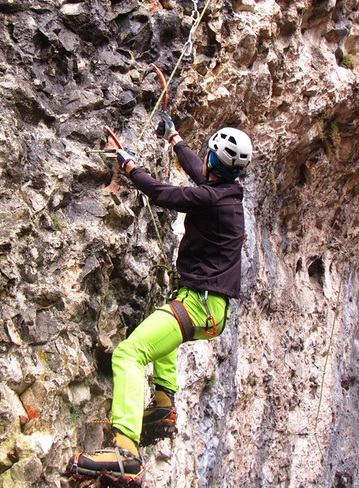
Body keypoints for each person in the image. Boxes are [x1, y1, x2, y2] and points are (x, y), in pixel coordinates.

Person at [71, 114, 252, 482]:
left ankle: (126, 452)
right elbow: (198, 174)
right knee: (163, 325)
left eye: (207, 156)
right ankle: (164, 404)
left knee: (129, 353)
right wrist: (173, 137)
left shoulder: (210, 199)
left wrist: (128, 164)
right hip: (208, 310)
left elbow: (163, 193)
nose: (202, 160)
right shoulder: (227, 194)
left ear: (213, 162)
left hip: (198, 305)